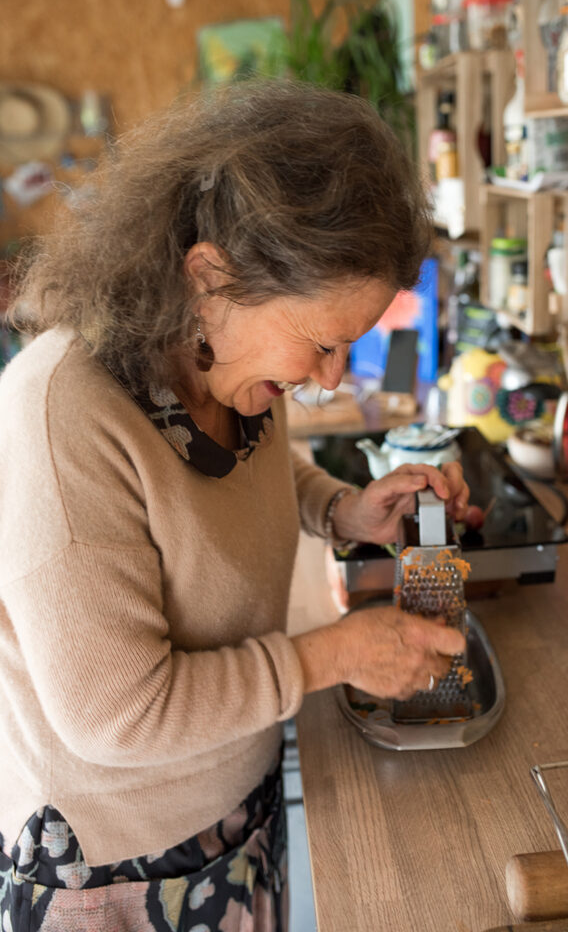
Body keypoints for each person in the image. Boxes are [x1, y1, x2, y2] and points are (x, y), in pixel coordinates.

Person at [0, 79, 469, 932]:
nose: (331, 377)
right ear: (210, 275)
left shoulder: (231, 364)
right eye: (322, 344)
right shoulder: (59, 412)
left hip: (236, 816)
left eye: (349, 346)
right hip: (116, 873)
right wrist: (331, 657)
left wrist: (344, 511)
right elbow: (119, 716)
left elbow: (255, 470)